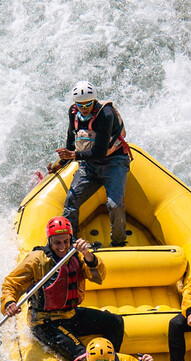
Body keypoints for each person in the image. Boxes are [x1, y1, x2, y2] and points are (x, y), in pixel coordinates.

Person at [2, 216, 126, 361]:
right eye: (57, 242)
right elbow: (11, 284)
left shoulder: (76, 255)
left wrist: (88, 255)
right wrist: (9, 303)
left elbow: (98, 276)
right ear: (49, 240)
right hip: (46, 323)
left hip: (71, 315)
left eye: (66, 241)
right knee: (83, 357)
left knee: (115, 322)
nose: (62, 247)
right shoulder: (36, 260)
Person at [56, 81, 132, 248]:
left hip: (114, 163)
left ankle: (118, 242)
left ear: (94, 101)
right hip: (89, 165)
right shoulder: (74, 112)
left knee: (114, 204)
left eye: (88, 104)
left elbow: (99, 151)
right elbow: (72, 136)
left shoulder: (106, 114)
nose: (84, 108)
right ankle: (71, 241)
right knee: (71, 200)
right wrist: (63, 161)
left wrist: (74, 155)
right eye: (80, 104)